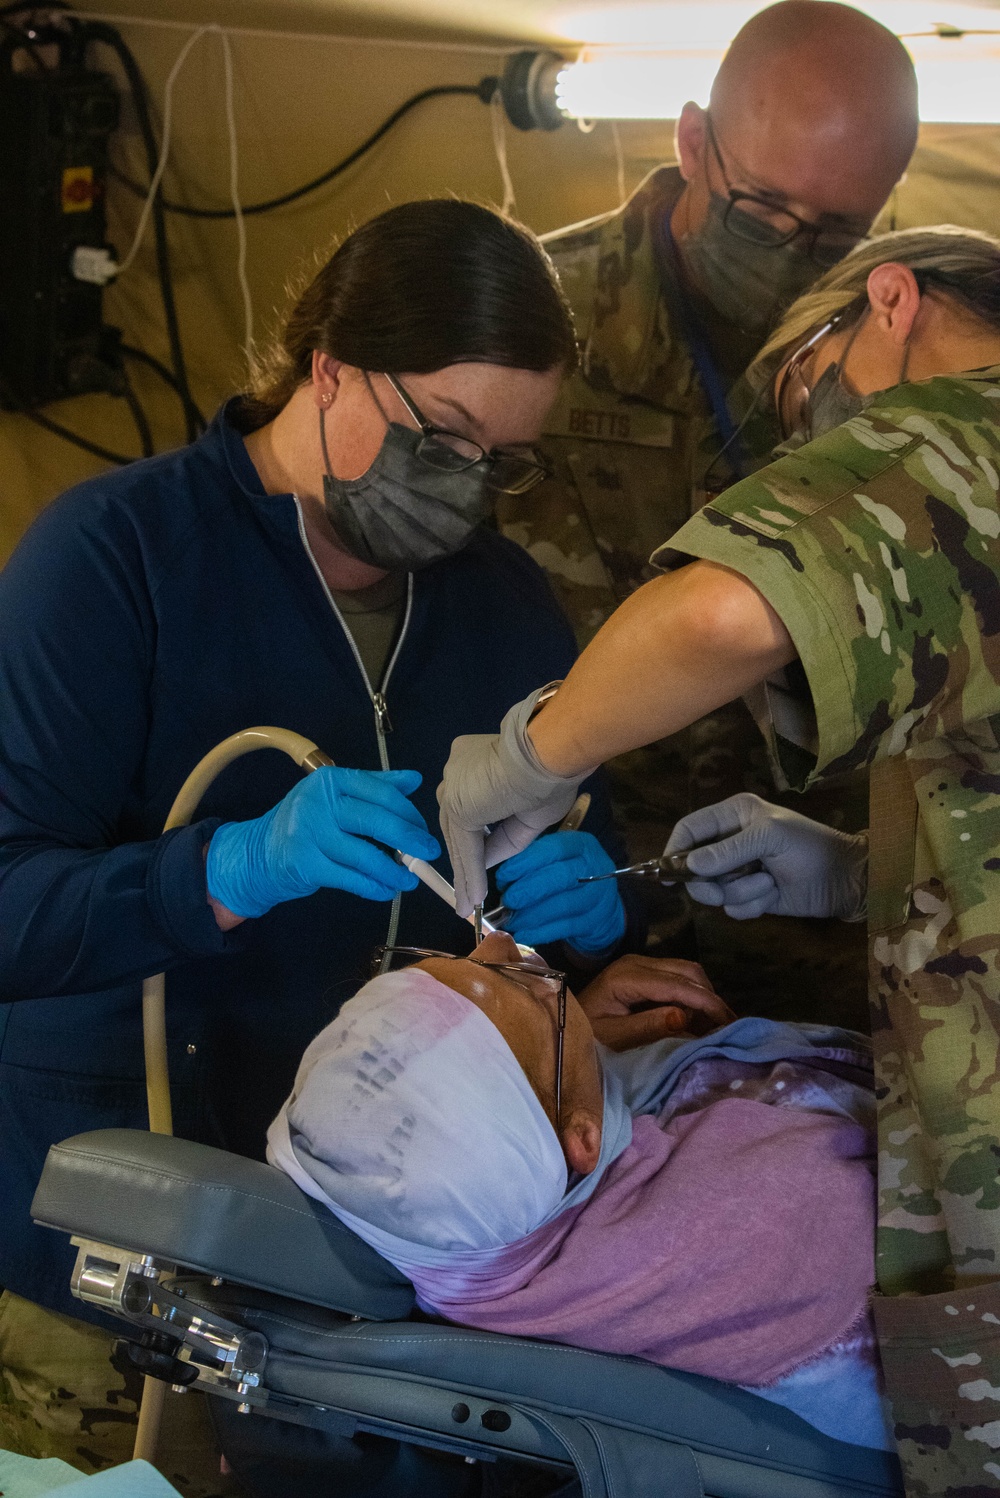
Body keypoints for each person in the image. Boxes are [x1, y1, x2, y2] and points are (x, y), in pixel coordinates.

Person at [0, 200, 634, 1482]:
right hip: (110, 1255)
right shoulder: (118, 557)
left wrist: (589, 904)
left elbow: (553, 871)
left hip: (368, 1282)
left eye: (502, 459)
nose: (464, 487)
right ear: (329, 363)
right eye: (440, 437)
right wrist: (225, 872)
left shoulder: (505, 607)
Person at [436, 224, 1000, 1495]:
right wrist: (865, 870)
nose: (822, 448)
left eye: (816, 395)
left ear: (893, 303)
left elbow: (722, 609)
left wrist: (539, 753)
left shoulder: (963, 430)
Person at [497, 0, 920, 1026]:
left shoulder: (911, 357)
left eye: (833, 231)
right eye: (762, 208)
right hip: (573, 924)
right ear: (693, 143)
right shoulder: (527, 320)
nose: (789, 249)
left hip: (841, 944)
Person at [269, 930, 890, 1451]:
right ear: (582, 1140)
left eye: (452, 964)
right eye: (519, 984)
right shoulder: (781, 1220)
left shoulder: (475, 1233)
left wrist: (566, 1039)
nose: (497, 941)